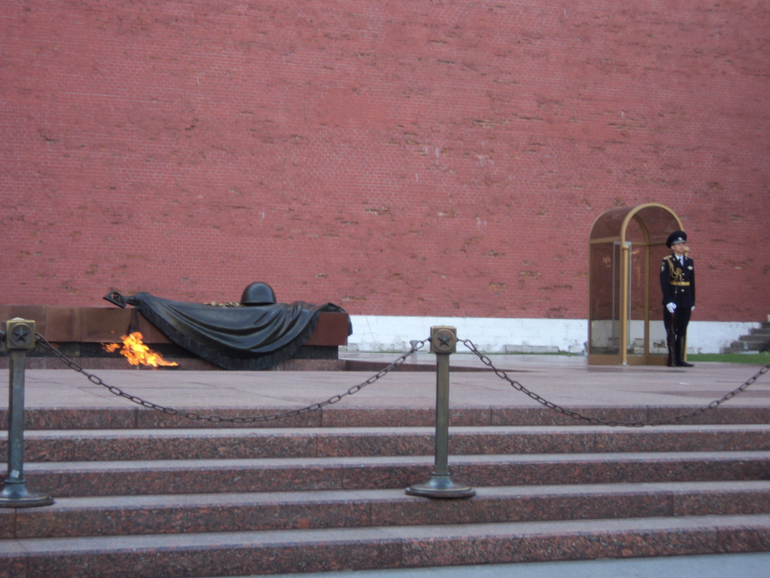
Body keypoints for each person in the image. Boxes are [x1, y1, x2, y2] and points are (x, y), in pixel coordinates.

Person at [660, 230, 695, 367]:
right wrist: (668, 301)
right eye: (678, 244)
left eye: (683, 244)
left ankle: (680, 359)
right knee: (672, 330)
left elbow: (692, 283)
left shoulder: (689, 261)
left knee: (682, 330)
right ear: (672, 247)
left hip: (685, 300)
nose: (681, 246)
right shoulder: (667, 261)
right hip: (673, 300)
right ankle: (672, 358)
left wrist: (692, 301)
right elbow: (664, 283)